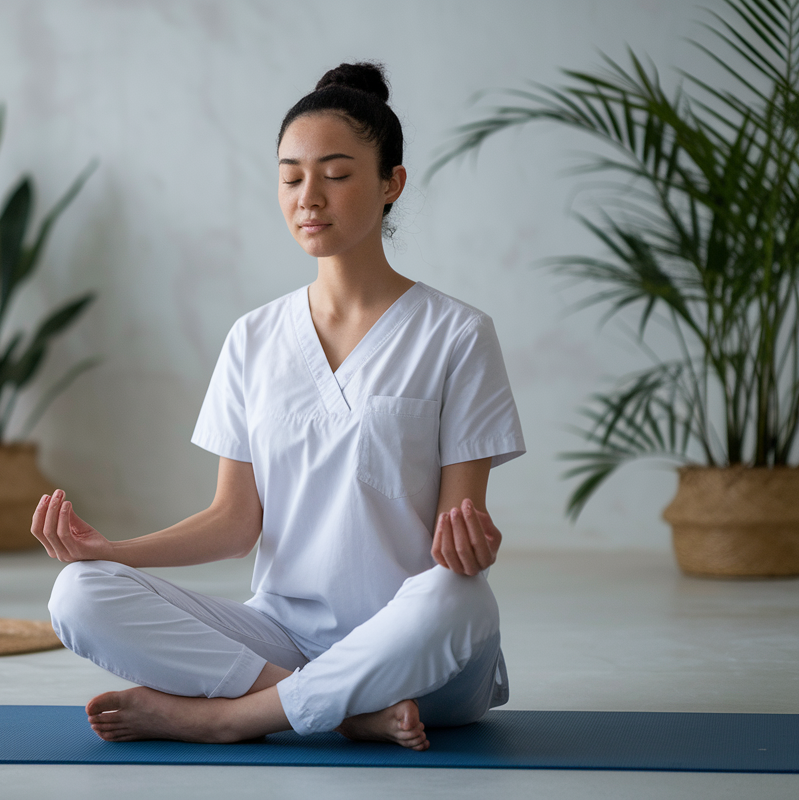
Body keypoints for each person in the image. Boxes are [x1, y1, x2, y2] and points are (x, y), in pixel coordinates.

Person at [30, 62, 524, 750]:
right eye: (292, 177)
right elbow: (236, 523)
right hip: (284, 637)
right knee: (79, 593)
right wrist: (110, 551)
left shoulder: (458, 334)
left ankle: (225, 718)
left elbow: (456, 536)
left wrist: (474, 546)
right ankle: (344, 713)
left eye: (337, 174)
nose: (309, 197)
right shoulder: (255, 337)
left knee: (459, 597)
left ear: (391, 183)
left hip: (417, 654)